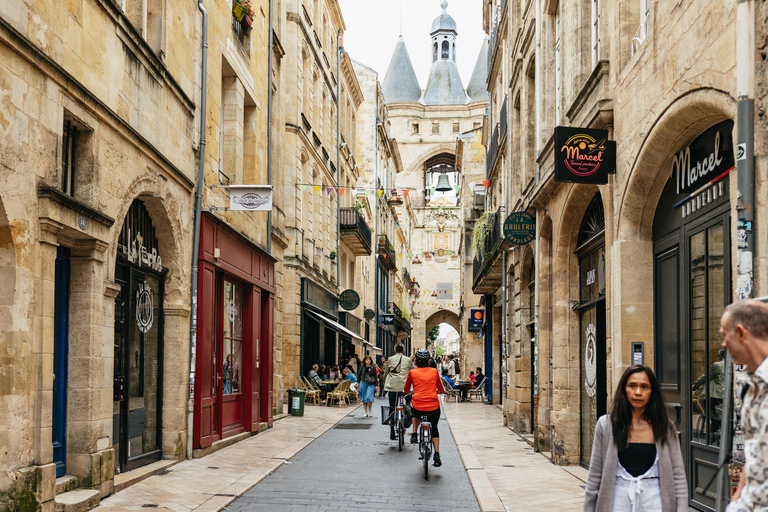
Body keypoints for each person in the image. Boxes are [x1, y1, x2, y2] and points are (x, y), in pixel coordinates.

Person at [583, 365, 687, 512]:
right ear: (624, 389)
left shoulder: (665, 427)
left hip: (655, 501)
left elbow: (679, 477)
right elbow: (594, 477)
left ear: (652, 392)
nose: (638, 392)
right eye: (632, 386)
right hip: (617, 500)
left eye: (644, 387)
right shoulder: (606, 425)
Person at [720, 300, 768, 511]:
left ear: (741, 332)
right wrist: (736, 500)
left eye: (724, 334)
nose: (723, 344)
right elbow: (753, 453)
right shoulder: (747, 387)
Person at [404, 348, 445, 467]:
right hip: (433, 405)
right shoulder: (434, 371)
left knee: (415, 413)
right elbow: (440, 386)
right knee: (435, 427)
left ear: (416, 360)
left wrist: (405, 392)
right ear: (428, 360)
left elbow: (407, 387)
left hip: (418, 404)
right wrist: (442, 392)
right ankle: (437, 453)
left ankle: (414, 433)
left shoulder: (412, 373)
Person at [383, 343, 413, 440]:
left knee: (392, 407)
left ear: (395, 350)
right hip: (405, 388)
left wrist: (384, 380)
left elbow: (386, 372)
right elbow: (412, 372)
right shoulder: (408, 360)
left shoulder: (390, 359)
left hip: (393, 387)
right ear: (403, 350)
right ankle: (408, 413)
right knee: (408, 401)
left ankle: (392, 431)